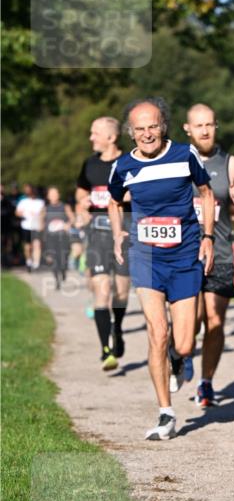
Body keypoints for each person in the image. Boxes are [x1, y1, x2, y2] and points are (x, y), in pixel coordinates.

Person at [108, 97, 215, 441]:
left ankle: (180, 360)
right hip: (147, 257)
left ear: (163, 126)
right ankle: (166, 413)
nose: (147, 133)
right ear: (131, 133)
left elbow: (206, 192)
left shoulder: (185, 155)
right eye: (140, 129)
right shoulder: (123, 166)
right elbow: (113, 200)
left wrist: (208, 236)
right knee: (157, 331)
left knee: (183, 343)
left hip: (184, 256)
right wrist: (118, 233)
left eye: (153, 126)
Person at [183, 103, 234, 407]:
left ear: (216, 127)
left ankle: (206, 382)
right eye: (198, 125)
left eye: (210, 124)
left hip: (221, 250)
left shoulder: (231, 164)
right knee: (193, 318)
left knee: (215, 320)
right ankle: (182, 352)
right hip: (183, 252)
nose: (205, 130)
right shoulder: (176, 160)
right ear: (187, 129)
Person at [77, 117, 132, 371]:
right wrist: (83, 204)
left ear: (111, 137)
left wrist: (125, 194)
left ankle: (117, 329)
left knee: (120, 292)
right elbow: (80, 192)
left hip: (125, 233)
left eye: (95, 133)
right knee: (102, 290)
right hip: (97, 235)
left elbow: (144, 191)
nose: (91, 138)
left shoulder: (129, 161)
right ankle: (105, 349)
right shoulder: (89, 164)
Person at [41, 186, 74, 288]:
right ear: (48, 197)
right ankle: (56, 280)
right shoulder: (45, 208)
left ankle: (63, 271)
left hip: (62, 236)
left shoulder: (65, 207)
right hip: (51, 237)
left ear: (58, 195)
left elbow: (72, 218)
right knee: (53, 259)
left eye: (55, 194)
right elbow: (41, 222)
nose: (54, 196)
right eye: (51, 194)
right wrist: (42, 231)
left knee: (63, 258)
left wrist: (67, 225)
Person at [15, 183, 45, 271]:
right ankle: (29, 261)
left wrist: (41, 223)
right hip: (26, 226)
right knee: (28, 246)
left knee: (37, 244)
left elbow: (43, 214)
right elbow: (17, 212)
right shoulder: (23, 202)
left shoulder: (40, 202)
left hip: (36, 226)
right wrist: (24, 214)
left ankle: (36, 263)